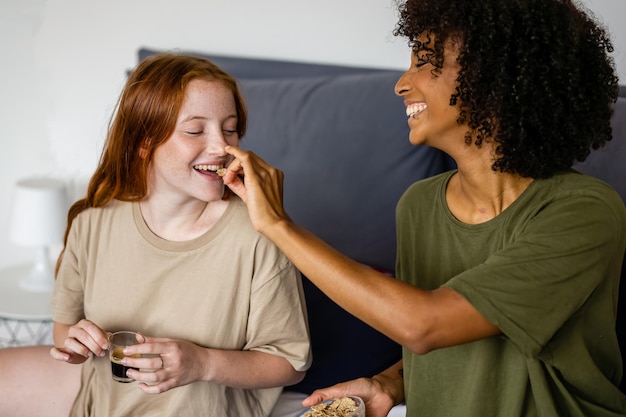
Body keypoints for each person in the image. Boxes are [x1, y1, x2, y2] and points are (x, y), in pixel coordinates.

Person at [220, 0, 626, 416]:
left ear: (492, 78)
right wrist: (387, 384)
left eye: (425, 63)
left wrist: (278, 224)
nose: (401, 83)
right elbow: (455, 347)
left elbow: (425, 325)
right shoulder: (419, 205)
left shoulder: (583, 211)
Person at [0, 52, 311, 417]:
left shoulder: (257, 235)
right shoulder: (91, 223)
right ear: (143, 141)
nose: (222, 147)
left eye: (230, 129)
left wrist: (202, 363)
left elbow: (290, 363)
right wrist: (75, 343)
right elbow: (63, 328)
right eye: (195, 130)